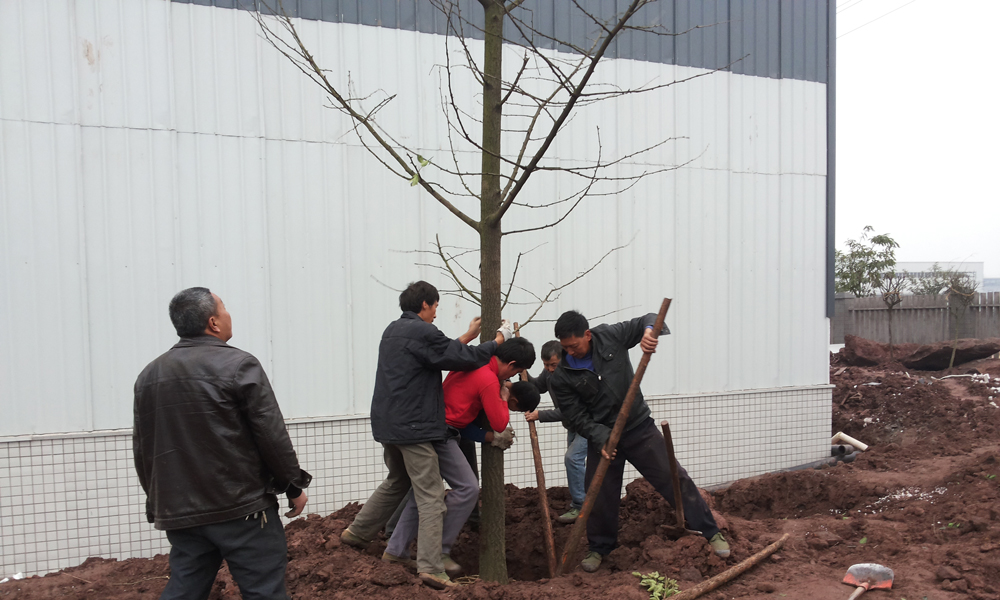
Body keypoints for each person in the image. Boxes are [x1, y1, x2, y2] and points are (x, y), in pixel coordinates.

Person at [133, 287, 312, 600]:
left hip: (182, 512)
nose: (229, 314)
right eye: (224, 308)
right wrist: (292, 485)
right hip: (241, 509)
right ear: (213, 323)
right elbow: (270, 435)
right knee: (264, 590)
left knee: (185, 590)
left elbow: (144, 448)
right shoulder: (240, 365)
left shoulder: (149, 375)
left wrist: (157, 501)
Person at [340, 281, 509, 590]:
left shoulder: (393, 331)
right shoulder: (423, 332)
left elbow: (440, 354)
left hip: (389, 424)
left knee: (398, 481)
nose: (435, 314)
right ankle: (431, 567)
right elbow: (464, 358)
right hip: (414, 428)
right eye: (435, 308)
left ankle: (358, 533)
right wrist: (498, 340)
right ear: (425, 305)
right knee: (431, 495)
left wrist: (469, 335)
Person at [548, 310, 730, 573]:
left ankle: (710, 530)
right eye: (565, 347)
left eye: (574, 346)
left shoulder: (610, 335)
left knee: (673, 477)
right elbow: (576, 417)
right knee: (599, 495)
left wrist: (648, 333)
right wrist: (601, 436)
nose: (570, 352)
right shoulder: (562, 376)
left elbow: (649, 318)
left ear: (587, 335)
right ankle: (599, 548)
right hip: (603, 437)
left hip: (638, 427)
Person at [382, 339, 540, 579]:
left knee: (422, 493)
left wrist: (488, 436)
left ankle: (395, 550)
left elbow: (464, 418)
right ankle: (439, 551)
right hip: (441, 434)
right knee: (467, 488)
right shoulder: (489, 379)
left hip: (428, 426)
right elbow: (499, 423)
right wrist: (503, 395)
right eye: (515, 372)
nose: (511, 378)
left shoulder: (471, 360)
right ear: (511, 364)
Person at [524, 340, 587, 524]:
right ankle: (587, 502)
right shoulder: (549, 374)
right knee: (576, 462)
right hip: (573, 426)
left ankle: (581, 506)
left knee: (573, 459)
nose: (550, 369)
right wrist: (523, 372)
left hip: (588, 425)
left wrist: (540, 415)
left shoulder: (573, 376)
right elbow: (538, 386)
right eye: (546, 365)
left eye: (553, 365)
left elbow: (569, 410)